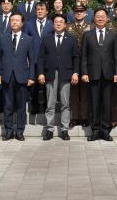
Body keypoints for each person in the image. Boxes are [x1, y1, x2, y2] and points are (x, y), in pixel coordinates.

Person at [37, 13, 80, 141]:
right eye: (56, 22)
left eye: (61, 22)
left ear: (65, 24)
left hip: (66, 74)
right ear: (53, 24)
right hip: (50, 74)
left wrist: (75, 72)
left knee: (65, 103)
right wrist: (40, 73)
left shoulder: (71, 39)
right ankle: (49, 129)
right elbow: (40, 57)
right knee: (50, 103)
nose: (59, 24)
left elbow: (76, 57)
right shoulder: (46, 38)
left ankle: (64, 130)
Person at [81, 8, 117, 141]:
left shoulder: (113, 34)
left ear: (107, 18)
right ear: (94, 18)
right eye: (98, 16)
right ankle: (95, 130)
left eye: (103, 16)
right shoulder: (87, 35)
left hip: (109, 74)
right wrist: (84, 72)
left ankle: (105, 130)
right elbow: (84, 56)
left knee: (107, 103)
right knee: (94, 103)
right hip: (93, 74)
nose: (100, 18)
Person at [0, 13, 35, 141]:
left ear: (22, 23)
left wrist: (31, 77)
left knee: (21, 106)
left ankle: (20, 131)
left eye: (17, 20)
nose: (14, 22)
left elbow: (32, 60)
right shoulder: (3, 38)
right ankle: (8, 131)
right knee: (8, 105)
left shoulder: (28, 39)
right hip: (6, 76)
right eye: (12, 20)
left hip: (22, 77)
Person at [23, 2, 54, 115]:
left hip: (48, 59)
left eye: (42, 9)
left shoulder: (52, 24)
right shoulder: (28, 24)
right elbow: (25, 41)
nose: (40, 11)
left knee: (47, 85)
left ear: (47, 11)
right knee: (34, 85)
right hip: (33, 59)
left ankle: (45, 107)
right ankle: (34, 107)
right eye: (38, 9)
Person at [65, 2, 92, 127]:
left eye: (81, 11)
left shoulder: (91, 27)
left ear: (86, 13)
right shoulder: (68, 27)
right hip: (71, 63)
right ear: (73, 13)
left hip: (87, 63)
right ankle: (74, 117)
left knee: (85, 92)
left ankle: (84, 117)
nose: (79, 13)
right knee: (73, 92)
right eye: (76, 11)